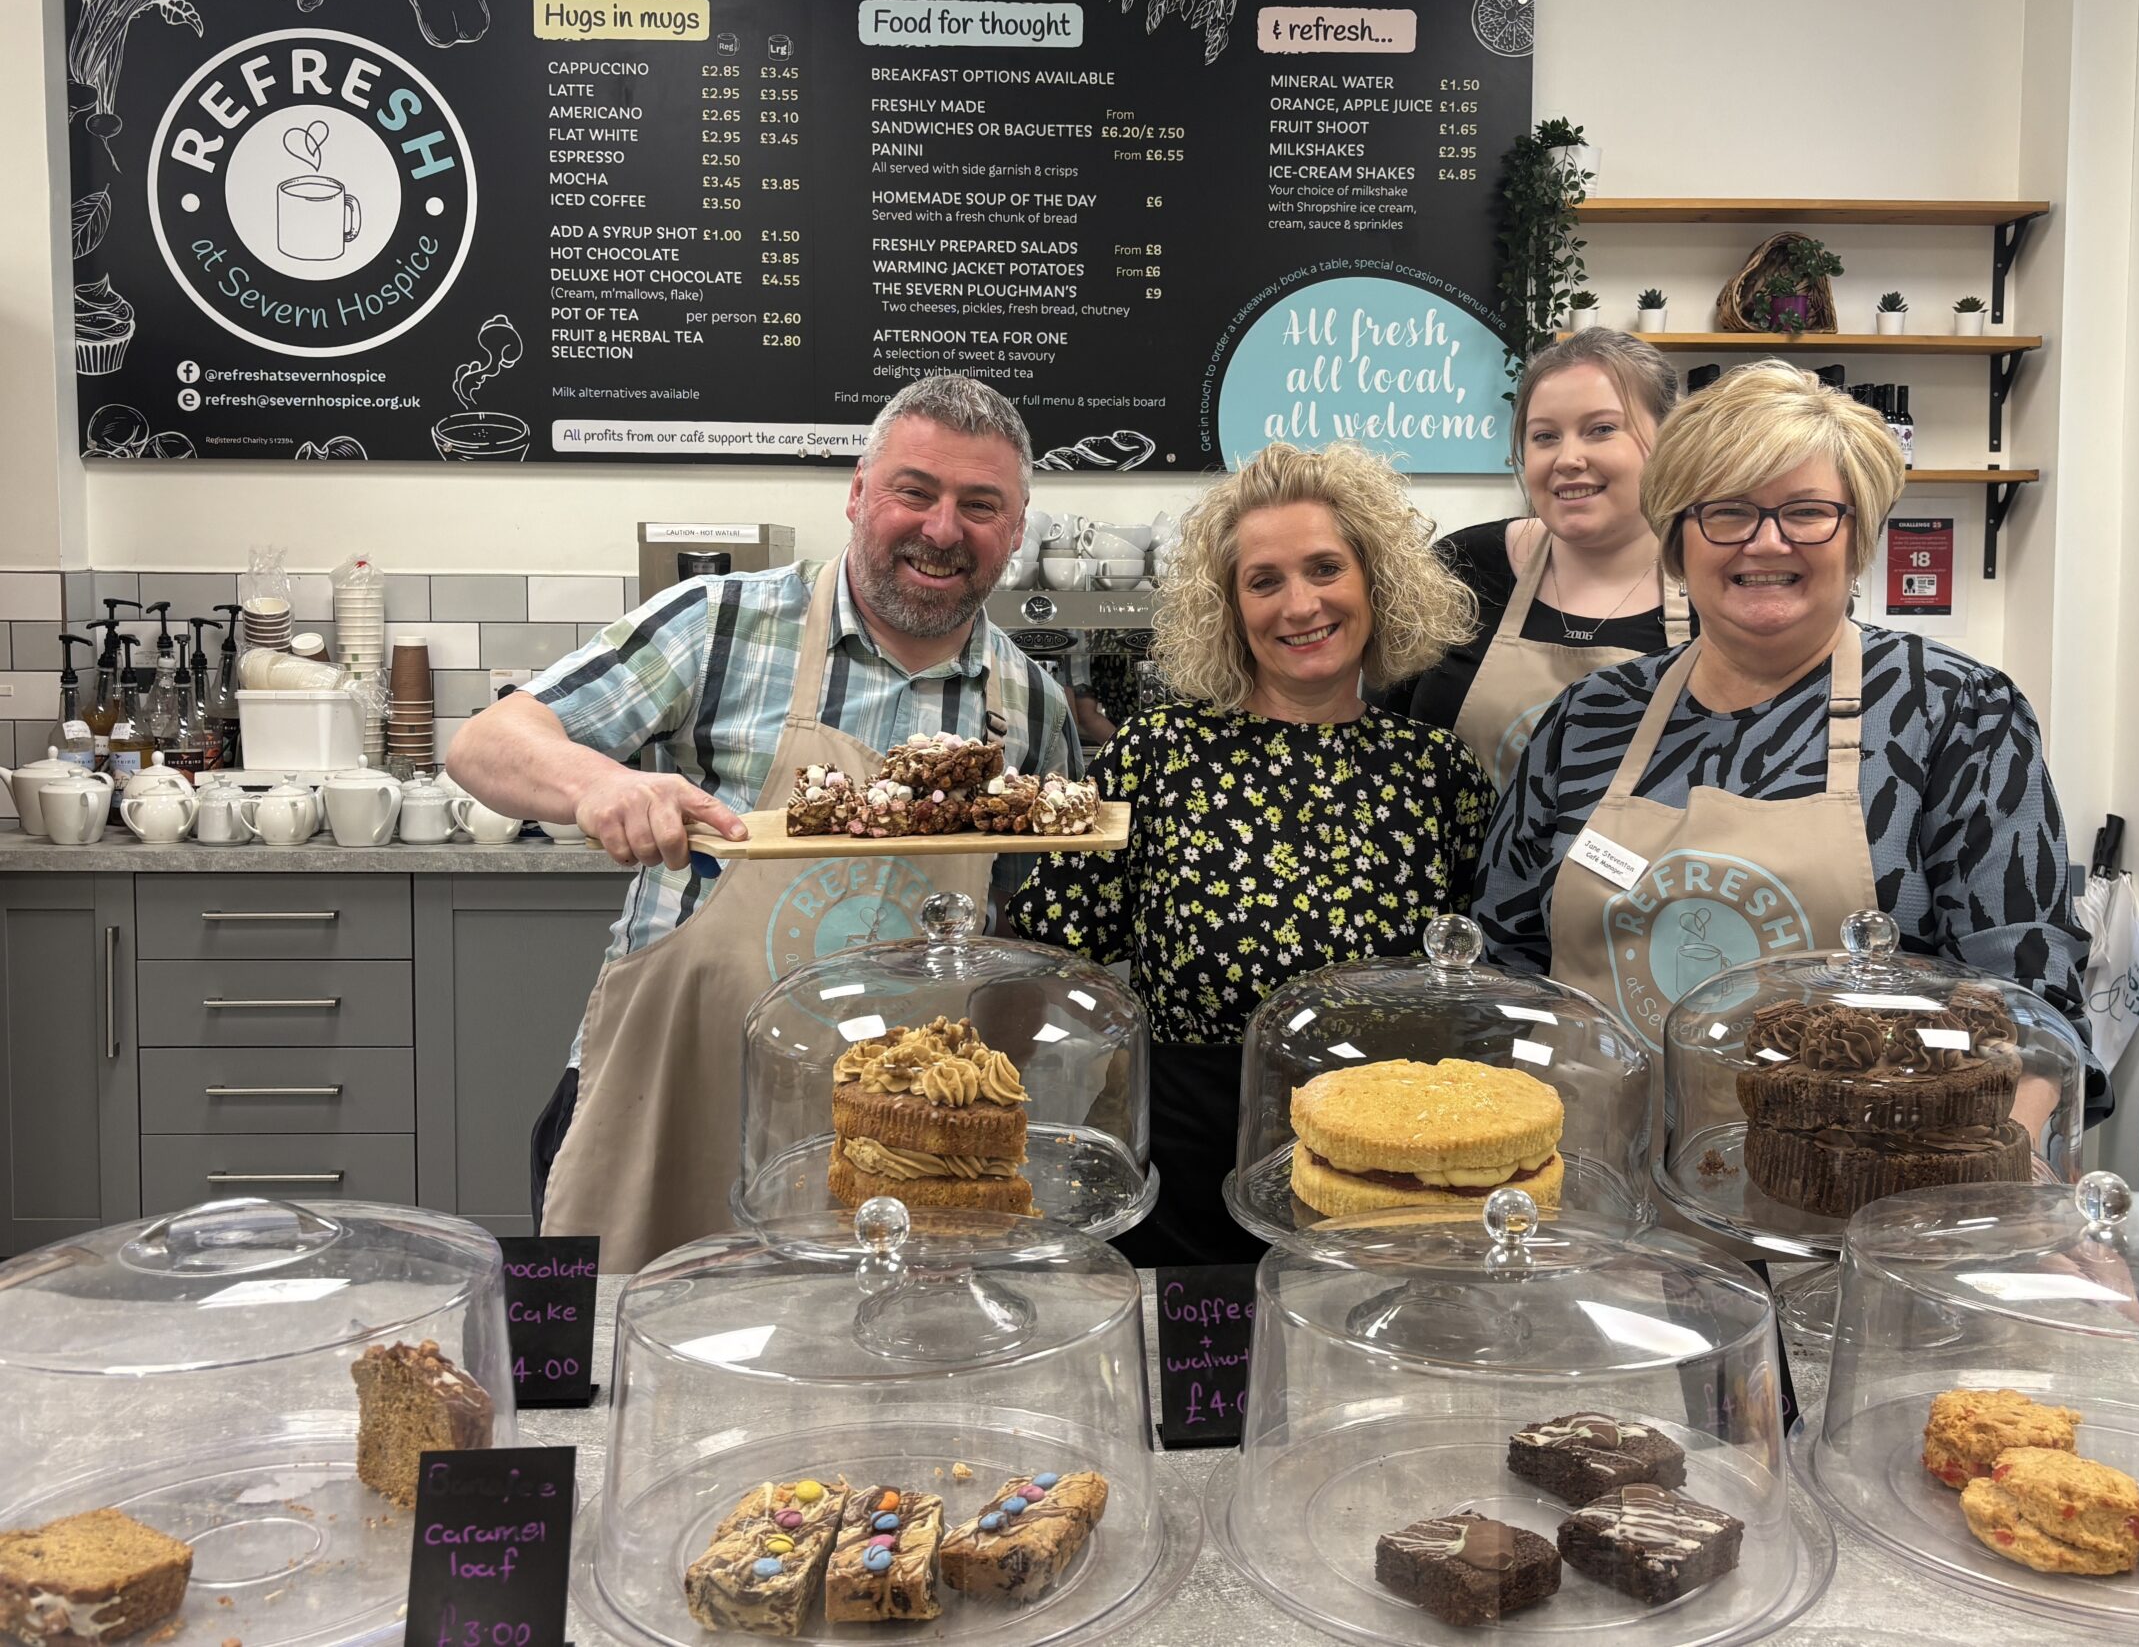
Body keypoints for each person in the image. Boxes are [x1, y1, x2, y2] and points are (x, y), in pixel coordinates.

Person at [446, 374, 1080, 1270]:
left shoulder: (1031, 705)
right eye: (915, 491)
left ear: (1014, 533)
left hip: (907, 1149)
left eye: (981, 506)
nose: (943, 530)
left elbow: (1013, 932)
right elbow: (488, 741)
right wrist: (599, 785)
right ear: (859, 494)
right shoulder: (721, 626)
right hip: (676, 1109)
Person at [1473, 359, 2104, 1127]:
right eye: (1729, 512)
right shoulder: (1588, 719)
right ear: (1677, 538)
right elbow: (1505, 966)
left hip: (1859, 1209)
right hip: (1605, 1204)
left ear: (1857, 536)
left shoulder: (1955, 713)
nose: (1767, 544)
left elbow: (2029, 1007)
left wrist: (1998, 1184)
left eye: (1807, 512)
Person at [1008, 441, 1497, 1264]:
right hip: (1187, 1170)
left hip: (1386, 1177)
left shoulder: (1435, 773)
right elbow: (1045, 955)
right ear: (1229, 610)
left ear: (1376, 582)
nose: (1299, 604)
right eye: (1263, 581)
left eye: (1324, 569)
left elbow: (1476, 990)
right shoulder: (1156, 754)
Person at [1374, 328, 1689, 790]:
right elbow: (1383, 730)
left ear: (1670, 438)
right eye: (1544, 436)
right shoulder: (1462, 568)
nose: (1567, 458)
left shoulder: (1715, 592)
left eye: (1601, 429)